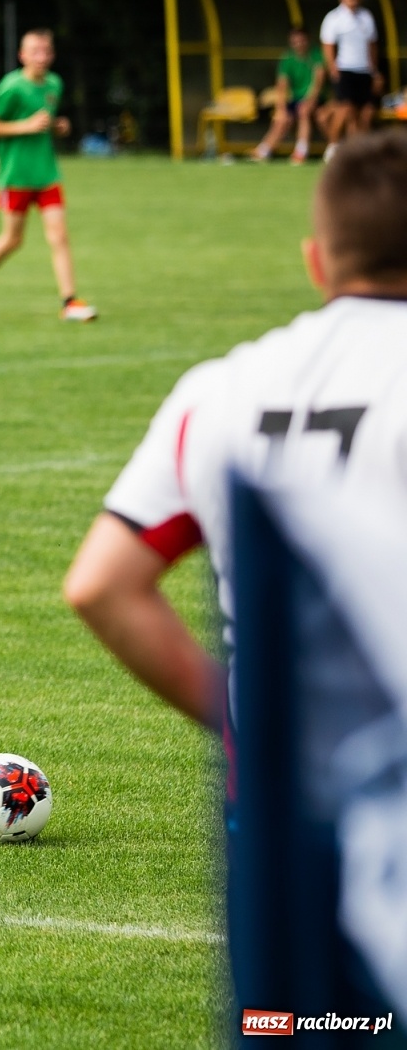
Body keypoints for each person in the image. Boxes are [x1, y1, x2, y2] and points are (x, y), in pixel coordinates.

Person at [63, 130, 407, 732]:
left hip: (281, 801)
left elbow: (100, 584)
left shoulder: (218, 389)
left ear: (316, 261)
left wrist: (247, 724)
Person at [0, 29, 97, 324]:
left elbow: (43, 122)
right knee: (12, 240)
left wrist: (58, 127)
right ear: (22, 56)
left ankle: (69, 302)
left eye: (46, 51)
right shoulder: (12, 87)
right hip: (15, 176)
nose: (41, 57)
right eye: (35, 51)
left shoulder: (54, 84)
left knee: (59, 235)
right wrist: (26, 126)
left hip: (47, 173)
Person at [320, 0, 380, 155]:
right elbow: (328, 45)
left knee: (366, 113)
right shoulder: (334, 18)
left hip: (364, 71)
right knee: (345, 109)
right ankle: (332, 147)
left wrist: (374, 71)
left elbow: (372, 45)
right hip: (344, 70)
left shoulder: (366, 16)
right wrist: (332, 67)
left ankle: (358, 151)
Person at [253, 28, 325, 165]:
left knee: (303, 111)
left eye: (301, 41)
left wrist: (310, 101)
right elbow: (281, 86)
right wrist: (281, 109)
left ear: (308, 40)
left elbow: (318, 82)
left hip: (315, 98)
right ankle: (264, 150)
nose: (298, 44)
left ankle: (301, 151)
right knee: (282, 119)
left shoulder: (316, 55)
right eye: (295, 41)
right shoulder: (287, 58)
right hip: (295, 99)